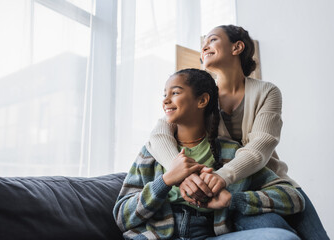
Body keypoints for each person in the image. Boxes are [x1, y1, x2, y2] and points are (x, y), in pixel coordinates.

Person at [146, 25, 329, 240]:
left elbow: (259, 148)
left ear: (237, 47)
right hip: (226, 194)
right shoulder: (202, 97)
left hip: (267, 185)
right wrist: (180, 174)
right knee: (281, 234)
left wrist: (222, 176)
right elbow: (159, 135)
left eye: (212, 40)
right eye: (204, 43)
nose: (204, 46)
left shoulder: (267, 91)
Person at [113, 68, 303, 240]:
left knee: (283, 238)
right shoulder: (152, 151)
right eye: (165, 94)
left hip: (208, 235)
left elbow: (292, 198)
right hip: (158, 237)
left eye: (175, 92)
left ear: (202, 100)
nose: (165, 100)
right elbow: (122, 217)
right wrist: (165, 181)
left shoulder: (230, 152)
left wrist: (234, 200)